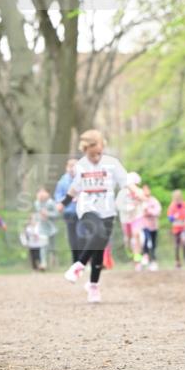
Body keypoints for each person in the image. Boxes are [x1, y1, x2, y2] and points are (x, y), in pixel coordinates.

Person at [58, 129, 127, 303]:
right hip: (87, 208)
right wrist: (64, 202)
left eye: (98, 153)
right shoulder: (81, 165)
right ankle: (79, 266)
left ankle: (93, 286)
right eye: (91, 154)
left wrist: (136, 192)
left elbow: (125, 181)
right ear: (85, 150)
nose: (95, 157)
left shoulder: (112, 163)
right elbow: (75, 188)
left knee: (99, 248)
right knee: (97, 233)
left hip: (108, 209)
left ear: (102, 147)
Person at [116, 172, 145, 269]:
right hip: (125, 219)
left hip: (137, 217)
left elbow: (144, 202)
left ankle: (138, 259)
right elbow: (119, 205)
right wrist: (131, 207)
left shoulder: (139, 191)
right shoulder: (122, 193)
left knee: (136, 234)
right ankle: (131, 252)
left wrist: (142, 202)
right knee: (128, 238)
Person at [54, 159, 79, 262]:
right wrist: (64, 202)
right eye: (70, 166)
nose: (72, 168)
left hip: (82, 212)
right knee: (72, 237)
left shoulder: (82, 179)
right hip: (69, 213)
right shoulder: (62, 181)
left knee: (82, 236)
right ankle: (75, 260)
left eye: (74, 166)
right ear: (67, 168)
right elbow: (58, 196)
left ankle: (84, 259)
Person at [33, 188, 59, 269]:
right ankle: (43, 263)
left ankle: (53, 260)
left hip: (51, 227)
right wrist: (39, 217)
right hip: (42, 227)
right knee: (43, 245)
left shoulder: (51, 202)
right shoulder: (37, 203)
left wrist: (48, 214)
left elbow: (56, 214)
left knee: (52, 246)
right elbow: (37, 213)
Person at [168, 190, 185, 268]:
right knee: (177, 244)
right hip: (176, 227)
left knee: (184, 240)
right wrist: (174, 217)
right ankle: (177, 260)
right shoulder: (172, 206)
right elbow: (170, 218)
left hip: (184, 227)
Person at [141, 184, 162, 270]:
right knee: (146, 241)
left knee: (153, 244)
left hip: (154, 226)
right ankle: (145, 257)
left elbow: (158, 211)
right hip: (144, 226)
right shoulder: (141, 201)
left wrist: (149, 211)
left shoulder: (154, 201)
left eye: (147, 189)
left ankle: (152, 261)